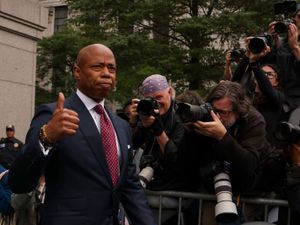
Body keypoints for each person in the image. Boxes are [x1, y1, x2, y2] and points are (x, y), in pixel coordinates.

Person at [8, 43, 156, 225]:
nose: (106, 73)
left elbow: (130, 187)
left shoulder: (121, 126)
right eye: (97, 66)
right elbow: (19, 182)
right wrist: (45, 138)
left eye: (111, 68)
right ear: (77, 72)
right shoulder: (53, 115)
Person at [180, 81, 273, 225]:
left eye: (224, 112)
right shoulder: (208, 117)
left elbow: (249, 165)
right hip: (213, 190)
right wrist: (190, 133)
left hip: (248, 192)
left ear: (239, 110)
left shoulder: (254, 120)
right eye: (214, 110)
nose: (217, 117)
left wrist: (223, 137)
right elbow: (186, 162)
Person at [128, 74, 189, 224]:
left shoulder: (181, 115)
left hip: (175, 190)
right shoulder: (148, 114)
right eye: (151, 99)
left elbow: (174, 158)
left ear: (169, 92)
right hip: (152, 185)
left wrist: (156, 128)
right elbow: (132, 145)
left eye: (159, 97)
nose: (156, 103)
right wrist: (137, 122)